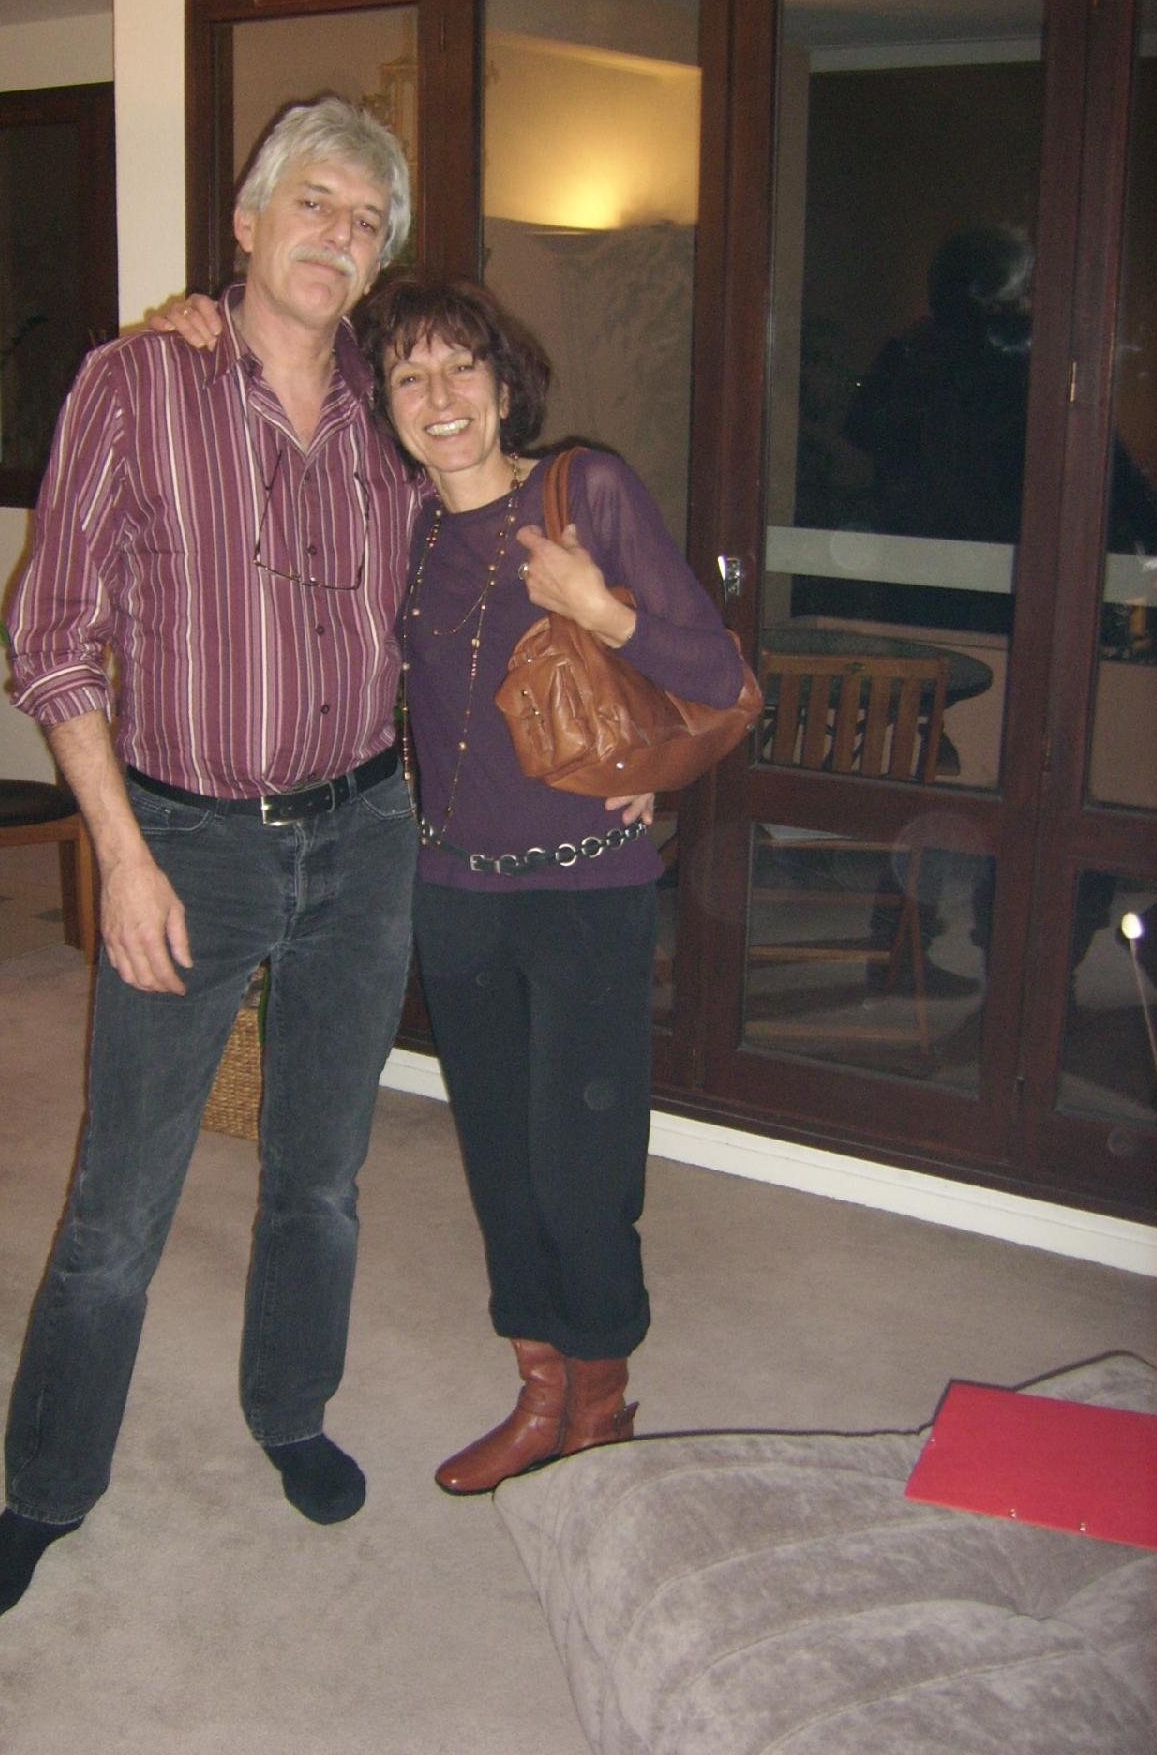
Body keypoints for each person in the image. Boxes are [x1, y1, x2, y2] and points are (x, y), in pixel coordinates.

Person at [0, 98, 422, 1622]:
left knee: (322, 1177)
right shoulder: (136, 380)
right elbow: (52, 637)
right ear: (248, 219)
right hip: (189, 842)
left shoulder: (397, 410)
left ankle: (291, 1411)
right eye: (315, 203)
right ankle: (47, 1488)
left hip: (367, 833)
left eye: (365, 222)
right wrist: (122, 855)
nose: (336, 236)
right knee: (121, 1198)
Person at [353, 279, 746, 1494]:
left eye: (460, 367)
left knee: (584, 1171)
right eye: (409, 376)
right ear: (387, 406)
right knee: (501, 1164)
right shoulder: (404, 529)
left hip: (586, 892)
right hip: (454, 892)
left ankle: (601, 1403)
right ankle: (539, 1390)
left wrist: (603, 612)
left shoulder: (588, 493)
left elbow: (721, 676)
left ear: (503, 380)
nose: (440, 397)